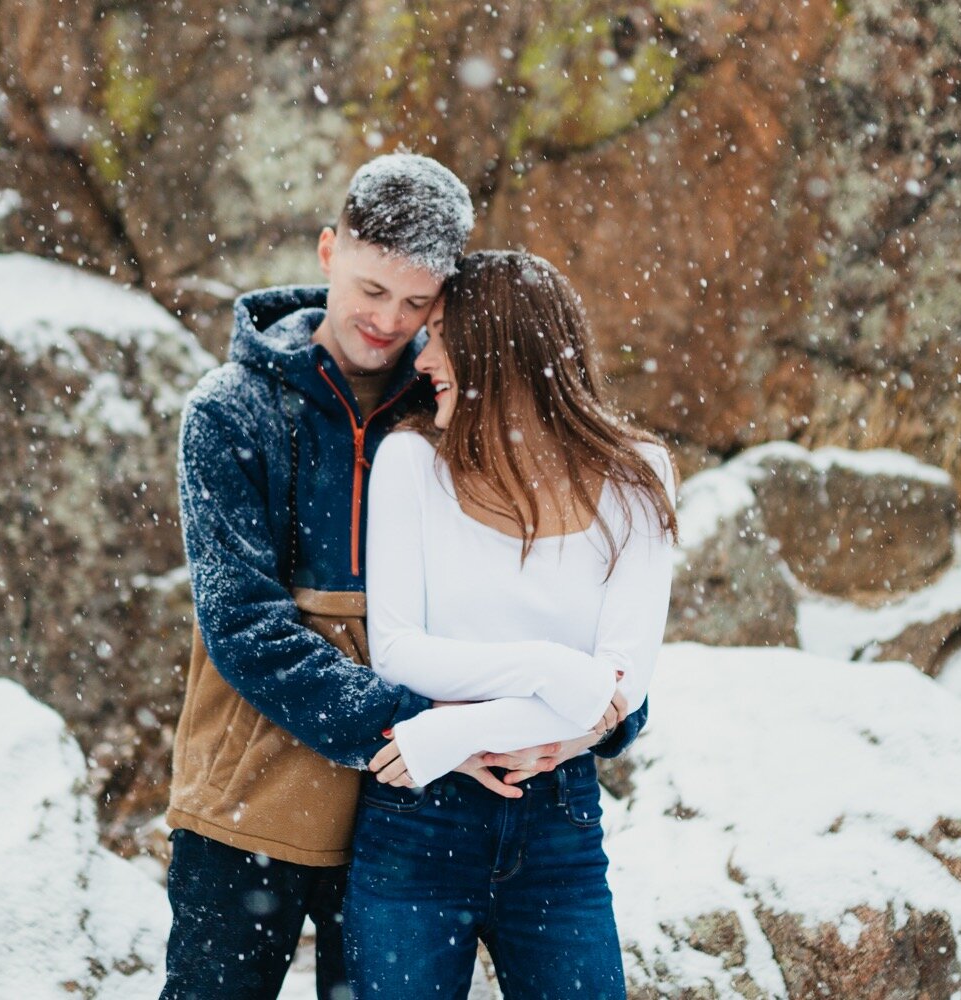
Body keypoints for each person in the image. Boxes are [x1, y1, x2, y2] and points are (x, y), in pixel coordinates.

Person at [165, 157, 649, 999]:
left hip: (398, 817)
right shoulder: (231, 410)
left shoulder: (447, 406)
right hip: (255, 798)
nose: (389, 321)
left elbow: (543, 589)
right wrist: (433, 730)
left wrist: (599, 709)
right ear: (328, 253)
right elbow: (244, 624)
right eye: (370, 288)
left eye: (417, 302)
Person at [344, 250, 679, 998]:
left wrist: (458, 731)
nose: (421, 355)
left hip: (557, 824)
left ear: (500, 347)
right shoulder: (410, 463)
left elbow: (621, 690)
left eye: (438, 334)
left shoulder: (639, 477)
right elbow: (398, 654)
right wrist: (552, 674)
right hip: (416, 826)